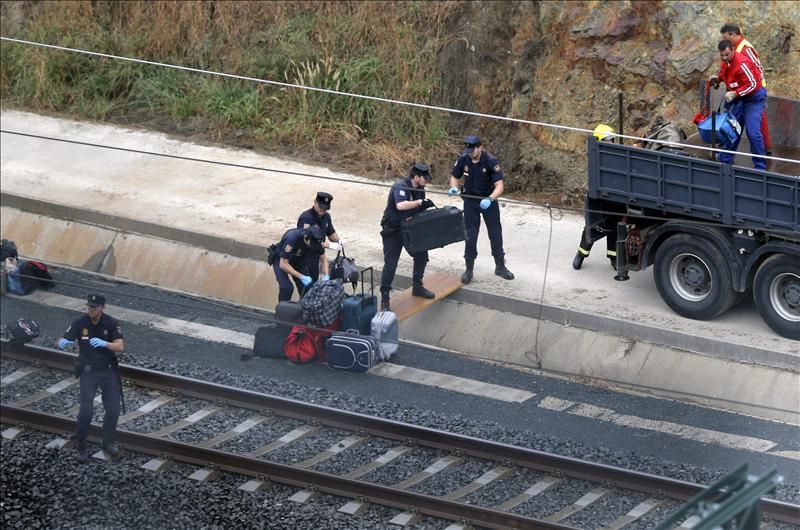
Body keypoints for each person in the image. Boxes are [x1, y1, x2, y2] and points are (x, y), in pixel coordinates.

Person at [56, 294, 125, 461]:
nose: (91, 310)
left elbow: (120, 346)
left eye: (95, 307)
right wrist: (62, 343)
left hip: (108, 371)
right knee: (86, 411)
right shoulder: (80, 323)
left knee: (113, 409)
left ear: (102, 307)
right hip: (89, 372)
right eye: (89, 307)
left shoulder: (110, 323)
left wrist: (105, 343)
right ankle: (81, 445)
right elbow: (62, 339)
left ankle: (107, 442)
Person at [448, 135, 514, 284]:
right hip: (470, 201)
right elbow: (454, 176)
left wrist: (490, 198)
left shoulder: (490, 161)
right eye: (468, 151)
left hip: (488, 200)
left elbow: (500, 186)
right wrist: (453, 187)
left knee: (495, 233)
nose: (470, 153)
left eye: (473, 150)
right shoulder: (464, 159)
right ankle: (469, 268)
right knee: (470, 235)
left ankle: (500, 266)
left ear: (480, 148)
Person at [379, 162, 436, 311]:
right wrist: (419, 202)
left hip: (410, 229)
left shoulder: (420, 190)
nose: (426, 181)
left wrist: (424, 206)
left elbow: (418, 211)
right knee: (391, 264)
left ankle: (417, 286)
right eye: (424, 178)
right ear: (416, 177)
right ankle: (385, 298)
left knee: (422, 255)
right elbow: (401, 205)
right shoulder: (401, 186)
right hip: (393, 230)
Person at [710, 39, 767, 170]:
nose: (724, 58)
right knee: (733, 129)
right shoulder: (726, 63)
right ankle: (726, 158)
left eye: (727, 55)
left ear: (733, 51)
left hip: (753, 99)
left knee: (753, 133)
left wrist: (735, 93)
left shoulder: (742, 63)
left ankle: (760, 166)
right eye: (722, 55)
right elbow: (725, 74)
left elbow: (752, 84)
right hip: (740, 99)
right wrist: (717, 79)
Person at [719, 23, 771, 154]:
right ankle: (727, 153)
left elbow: (756, 68)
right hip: (742, 90)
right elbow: (729, 70)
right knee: (736, 123)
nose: (724, 40)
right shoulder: (733, 49)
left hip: (753, 90)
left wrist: (751, 87)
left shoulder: (745, 49)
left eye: (726, 37)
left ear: (733, 35)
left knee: (756, 123)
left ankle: (765, 148)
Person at [573, 125, 619, 270]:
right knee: (592, 228)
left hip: (614, 200)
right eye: (608, 140)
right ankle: (581, 255)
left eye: (612, 140)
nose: (611, 143)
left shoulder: (616, 156)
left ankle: (613, 258)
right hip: (599, 201)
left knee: (615, 230)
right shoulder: (596, 158)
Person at [271, 225, 327, 302]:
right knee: (286, 287)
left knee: (308, 288)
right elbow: (283, 264)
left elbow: (323, 258)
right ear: (306, 237)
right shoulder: (292, 239)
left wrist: (326, 276)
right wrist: (302, 277)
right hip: (281, 260)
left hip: (298, 261)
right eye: (311, 244)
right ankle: (281, 310)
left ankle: (304, 309)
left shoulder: (317, 240)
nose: (313, 246)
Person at [297, 191, 343, 281]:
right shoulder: (306, 218)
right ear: (315, 202)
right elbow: (306, 240)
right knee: (306, 287)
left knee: (314, 281)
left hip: (316, 256)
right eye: (321, 207)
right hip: (305, 257)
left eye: (325, 209)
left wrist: (340, 241)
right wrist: (328, 245)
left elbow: (330, 233)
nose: (322, 210)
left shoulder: (326, 217)